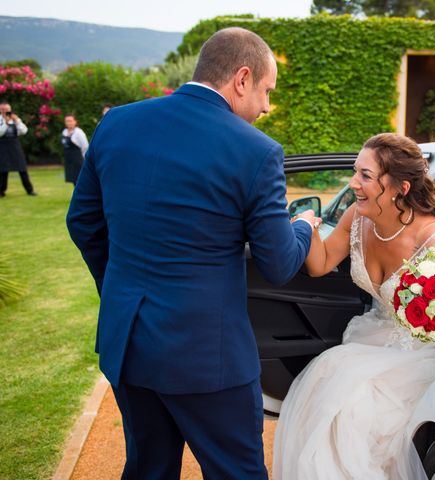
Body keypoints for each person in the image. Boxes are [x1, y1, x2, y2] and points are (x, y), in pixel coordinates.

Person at [66, 27, 316, 479]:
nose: (265, 106)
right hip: (207, 358)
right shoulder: (257, 151)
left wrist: (121, 289)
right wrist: (303, 226)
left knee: (148, 468)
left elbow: (82, 222)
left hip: (128, 341)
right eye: (265, 91)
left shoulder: (117, 122)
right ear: (242, 78)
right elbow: (279, 262)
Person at [273, 133, 435, 480]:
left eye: (365, 176)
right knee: (330, 380)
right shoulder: (358, 217)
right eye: (356, 172)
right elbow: (320, 264)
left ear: (400, 187)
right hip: (374, 337)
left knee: (352, 406)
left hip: (421, 354)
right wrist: (304, 227)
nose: (354, 183)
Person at [0, 101, 37, 197]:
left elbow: (24, 131)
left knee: (22, 169)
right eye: (3, 110)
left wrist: (17, 121)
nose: (5, 111)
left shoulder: (15, 119)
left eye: (7, 109)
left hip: (15, 148)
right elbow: (0, 133)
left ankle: (30, 190)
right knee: (3, 170)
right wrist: (6, 122)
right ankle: (1, 191)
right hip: (3, 148)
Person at [61, 113, 89, 186]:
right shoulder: (64, 132)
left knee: (80, 180)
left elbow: (85, 146)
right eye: (67, 121)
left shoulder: (79, 132)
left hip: (78, 160)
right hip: (69, 160)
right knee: (73, 180)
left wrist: (84, 159)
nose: (69, 123)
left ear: (75, 122)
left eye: (70, 121)